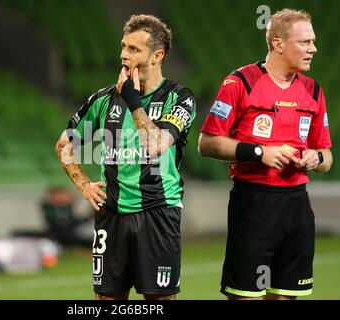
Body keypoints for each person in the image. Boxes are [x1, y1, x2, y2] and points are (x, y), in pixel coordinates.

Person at [55, 15, 196, 300]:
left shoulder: (179, 98)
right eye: (123, 46)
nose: (123, 54)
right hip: (111, 216)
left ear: (158, 55)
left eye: (134, 49)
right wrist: (84, 185)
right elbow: (64, 145)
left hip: (158, 213)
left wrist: (132, 99)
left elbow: (156, 144)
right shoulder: (103, 100)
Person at [198, 9, 333, 300]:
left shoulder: (313, 91)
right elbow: (207, 142)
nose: (313, 49)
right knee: (246, 295)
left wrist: (315, 158)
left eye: (313, 41)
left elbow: (326, 156)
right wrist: (258, 152)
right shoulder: (240, 82)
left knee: (285, 295)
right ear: (278, 44)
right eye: (305, 42)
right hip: (254, 204)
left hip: (297, 206)